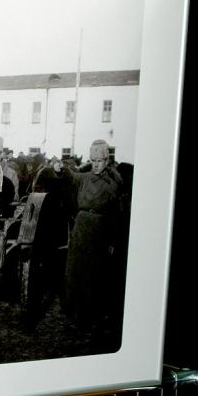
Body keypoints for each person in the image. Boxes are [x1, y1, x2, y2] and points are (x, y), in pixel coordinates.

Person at [53, 139, 124, 339]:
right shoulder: (84, 178)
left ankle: (91, 318)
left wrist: (111, 241)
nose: (95, 164)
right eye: (92, 160)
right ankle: (74, 315)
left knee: (94, 276)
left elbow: (116, 215)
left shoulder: (112, 184)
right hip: (82, 228)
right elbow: (70, 176)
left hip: (100, 231)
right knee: (75, 271)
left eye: (99, 161)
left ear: (106, 160)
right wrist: (60, 170)